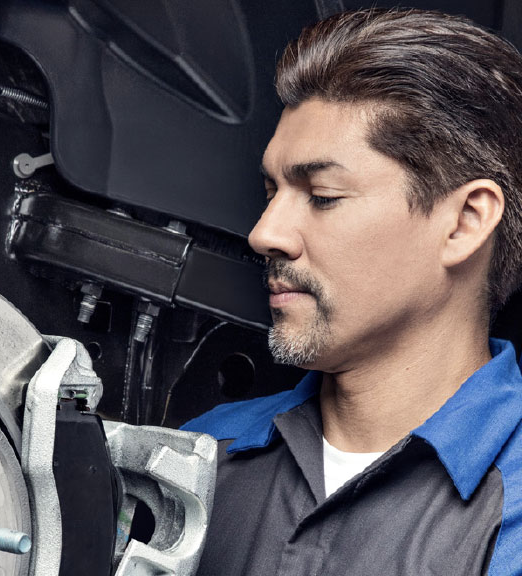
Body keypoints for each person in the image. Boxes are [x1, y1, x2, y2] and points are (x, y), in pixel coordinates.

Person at [182, 8, 522, 574]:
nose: (264, 233)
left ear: (464, 222)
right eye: (271, 191)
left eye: (322, 194)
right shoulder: (198, 454)